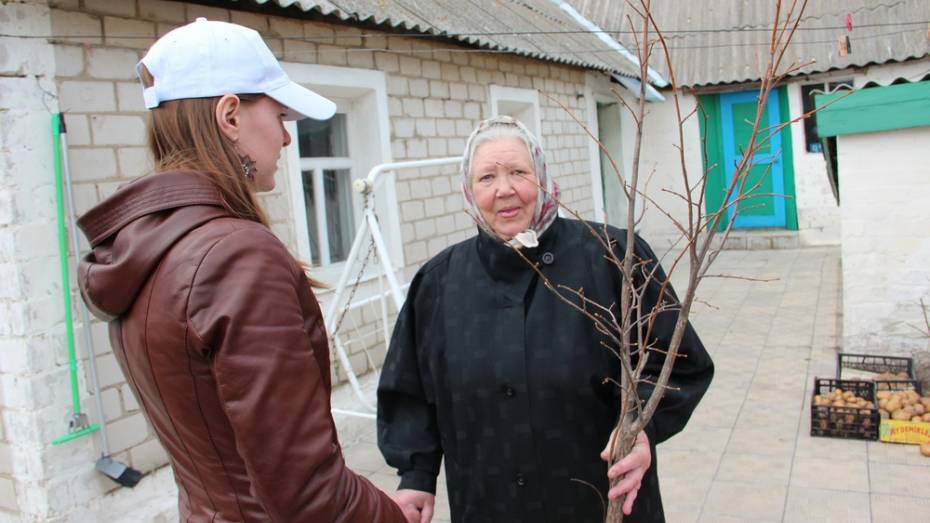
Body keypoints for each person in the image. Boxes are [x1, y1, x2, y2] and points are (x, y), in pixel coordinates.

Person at [76, 18, 413, 523]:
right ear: (230, 115)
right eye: (279, 115)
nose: (285, 139)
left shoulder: (143, 248)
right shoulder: (236, 258)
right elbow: (309, 494)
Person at [377, 116, 714, 522]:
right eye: (487, 177)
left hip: (603, 500)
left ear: (543, 177)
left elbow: (677, 360)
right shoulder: (437, 284)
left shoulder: (614, 258)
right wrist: (415, 475)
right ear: (469, 191)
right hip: (490, 503)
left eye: (519, 172)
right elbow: (409, 390)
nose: (505, 190)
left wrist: (643, 429)